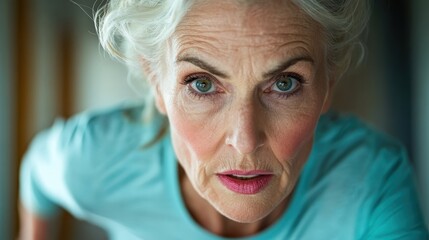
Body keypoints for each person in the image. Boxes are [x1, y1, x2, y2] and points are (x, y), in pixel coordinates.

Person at [19, 0, 428, 239]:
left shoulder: (372, 182)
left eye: (284, 84)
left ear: (327, 84)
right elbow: (38, 172)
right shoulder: (96, 158)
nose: (246, 141)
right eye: (201, 84)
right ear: (157, 84)